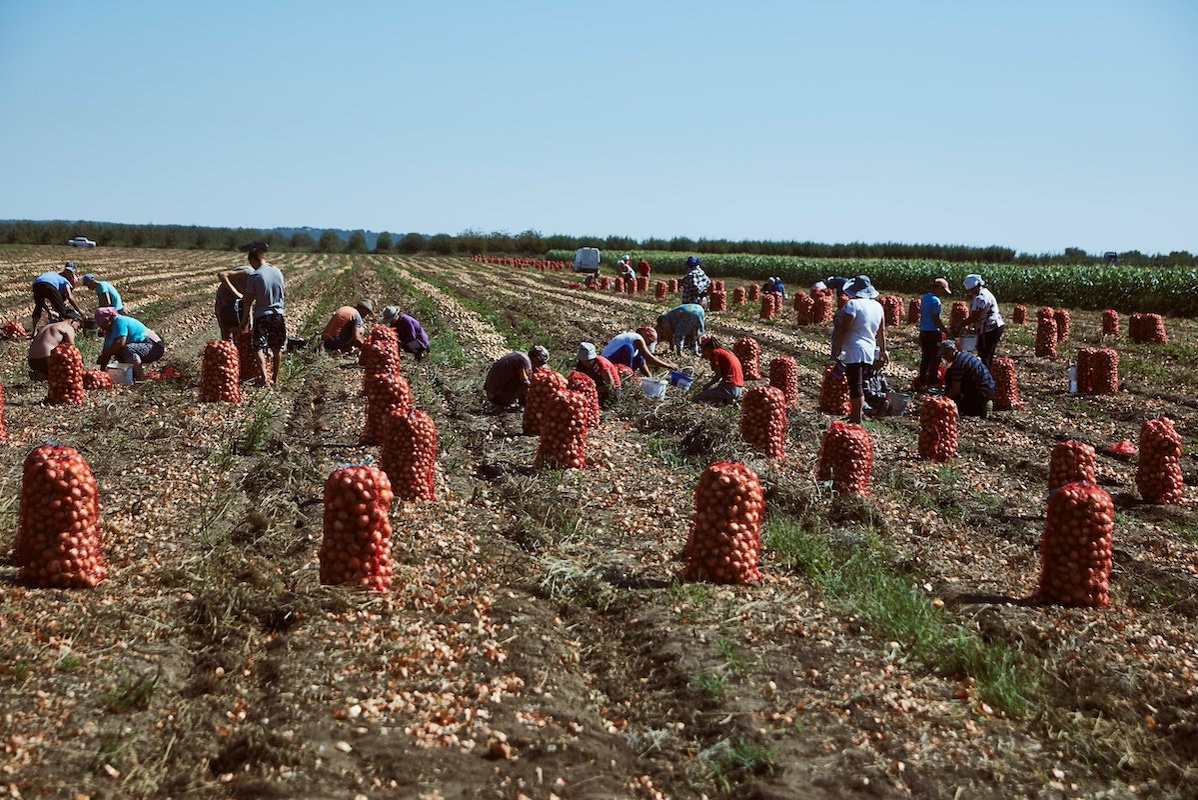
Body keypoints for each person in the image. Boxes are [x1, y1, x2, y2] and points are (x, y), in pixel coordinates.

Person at [829, 275, 888, 425]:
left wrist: (837, 347)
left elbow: (844, 328)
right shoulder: (877, 306)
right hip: (868, 349)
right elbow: (881, 331)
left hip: (853, 349)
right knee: (861, 382)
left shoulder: (853, 305)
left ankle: (856, 418)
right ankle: (858, 413)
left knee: (855, 385)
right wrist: (882, 350)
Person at [237, 241, 286, 387]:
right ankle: (275, 379)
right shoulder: (278, 272)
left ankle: (264, 379)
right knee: (277, 347)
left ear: (252, 260)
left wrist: (244, 320)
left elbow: (248, 301)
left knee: (258, 346)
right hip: (278, 314)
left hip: (262, 315)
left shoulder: (255, 276)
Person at [94, 307, 165, 383]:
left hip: (154, 347)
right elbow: (107, 351)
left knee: (125, 349)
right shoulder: (109, 330)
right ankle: (131, 375)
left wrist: (104, 356)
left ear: (110, 318)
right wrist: (101, 373)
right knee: (118, 353)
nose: (103, 328)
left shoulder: (120, 321)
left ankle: (140, 378)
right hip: (142, 346)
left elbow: (120, 343)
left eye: (103, 324)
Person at [940, 341, 995, 418]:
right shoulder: (964, 354)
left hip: (982, 392)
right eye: (942, 355)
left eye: (945, 354)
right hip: (989, 388)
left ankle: (981, 405)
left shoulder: (958, 364)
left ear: (953, 350)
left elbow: (955, 390)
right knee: (950, 372)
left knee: (965, 410)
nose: (944, 357)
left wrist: (944, 401)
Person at [961, 274, 1004, 369]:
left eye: (970, 290)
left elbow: (975, 316)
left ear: (976, 286)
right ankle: (986, 374)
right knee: (985, 352)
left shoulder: (981, 297)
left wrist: (960, 324)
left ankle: (985, 376)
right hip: (991, 326)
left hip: (990, 328)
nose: (969, 293)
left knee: (985, 354)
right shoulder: (982, 293)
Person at [485, 346, 549, 408]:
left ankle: (519, 402)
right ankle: (507, 403)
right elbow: (525, 383)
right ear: (535, 358)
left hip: (492, 392)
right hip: (496, 396)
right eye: (539, 362)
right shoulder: (525, 361)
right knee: (524, 382)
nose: (538, 365)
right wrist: (535, 397)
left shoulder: (521, 356)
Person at [917, 277, 952, 389]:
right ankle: (931, 383)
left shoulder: (925, 298)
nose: (943, 293)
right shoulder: (935, 300)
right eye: (942, 290)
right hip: (933, 333)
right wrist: (946, 332)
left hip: (924, 332)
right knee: (935, 358)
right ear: (937, 288)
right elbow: (936, 320)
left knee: (925, 358)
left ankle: (922, 381)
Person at [30, 262, 84, 333]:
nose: (68, 273)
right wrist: (80, 310)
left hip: (37, 284)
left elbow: (41, 302)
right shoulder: (65, 281)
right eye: (67, 271)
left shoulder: (55, 275)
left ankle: (34, 332)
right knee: (62, 311)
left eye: (70, 271)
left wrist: (48, 311)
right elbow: (70, 297)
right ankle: (62, 331)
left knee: (38, 307)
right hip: (49, 285)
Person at [601, 327, 676, 377]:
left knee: (640, 357)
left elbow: (642, 362)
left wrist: (650, 378)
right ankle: (627, 375)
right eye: (650, 341)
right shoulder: (637, 338)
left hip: (615, 360)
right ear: (646, 336)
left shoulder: (636, 344)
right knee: (628, 348)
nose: (648, 344)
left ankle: (628, 375)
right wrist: (668, 366)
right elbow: (649, 358)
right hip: (608, 361)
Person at [692, 335, 744, 406]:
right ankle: (730, 403)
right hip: (739, 389)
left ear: (708, 348)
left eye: (703, 350)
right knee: (715, 400)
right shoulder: (728, 352)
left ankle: (728, 401)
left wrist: (707, 386)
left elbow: (718, 375)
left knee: (696, 399)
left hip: (729, 388)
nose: (703, 354)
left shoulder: (715, 352)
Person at [215, 261, 254, 341]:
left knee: (240, 330)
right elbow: (222, 275)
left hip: (239, 302)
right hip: (225, 298)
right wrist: (236, 293)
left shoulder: (258, 286)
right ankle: (227, 348)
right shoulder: (248, 273)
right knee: (227, 327)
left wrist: (250, 321)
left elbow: (248, 302)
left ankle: (237, 349)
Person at [575, 342, 621, 407]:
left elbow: (610, 386)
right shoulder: (583, 364)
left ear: (591, 359)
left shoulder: (602, 365)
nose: (583, 363)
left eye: (585, 361)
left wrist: (592, 389)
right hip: (597, 385)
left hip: (611, 392)